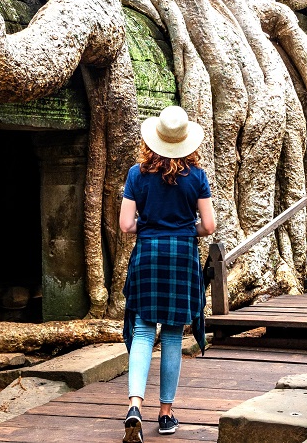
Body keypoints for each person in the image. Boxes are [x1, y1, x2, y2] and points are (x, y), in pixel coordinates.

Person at [119, 105, 216, 442]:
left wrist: (149, 224)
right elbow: (209, 225)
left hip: (148, 254)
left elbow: (126, 225)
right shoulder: (197, 178)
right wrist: (186, 229)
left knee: (144, 330)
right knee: (173, 334)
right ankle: (165, 413)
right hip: (182, 255)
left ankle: (134, 406)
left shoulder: (136, 174)